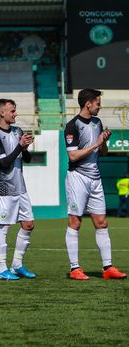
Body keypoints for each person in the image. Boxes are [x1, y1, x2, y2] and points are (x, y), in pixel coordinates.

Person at [64, 88, 127, 280]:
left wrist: (103, 142)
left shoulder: (97, 122)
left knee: (102, 222)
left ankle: (108, 268)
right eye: (98, 103)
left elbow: (104, 152)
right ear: (88, 103)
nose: (100, 106)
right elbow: (73, 156)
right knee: (75, 222)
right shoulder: (72, 125)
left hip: (95, 178)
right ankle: (75, 269)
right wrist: (95, 144)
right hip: (78, 178)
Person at [0, 99, 36, 281]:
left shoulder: (18, 131)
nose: (15, 114)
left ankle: (17, 265)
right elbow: (2, 163)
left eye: (15, 111)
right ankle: (2, 269)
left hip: (20, 188)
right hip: (4, 188)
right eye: (12, 111)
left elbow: (27, 159)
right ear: (2, 113)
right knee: (4, 227)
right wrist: (19, 147)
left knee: (28, 224)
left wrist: (25, 148)